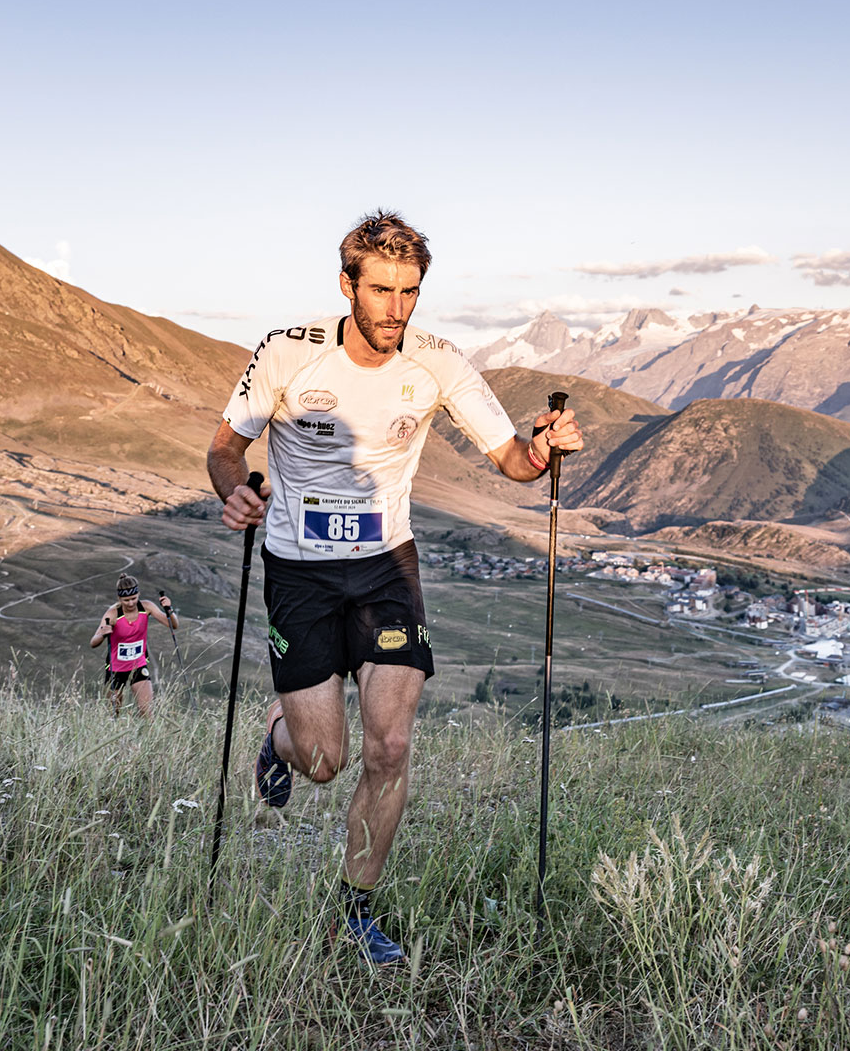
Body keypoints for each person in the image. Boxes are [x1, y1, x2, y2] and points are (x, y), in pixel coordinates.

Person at [206, 209, 583, 964]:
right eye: (381, 290)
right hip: (300, 572)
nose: (396, 309)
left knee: (391, 746)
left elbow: (510, 457)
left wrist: (542, 450)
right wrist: (235, 492)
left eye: (410, 292)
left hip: (386, 567)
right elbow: (226, 447)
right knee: (326, 761)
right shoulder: (289, 354)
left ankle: (356, 911)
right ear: (347, 283)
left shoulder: (437, 361)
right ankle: (279, 741)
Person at [89, 574, 175, 718]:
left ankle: (148, 738)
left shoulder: (146, 607)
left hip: (139, 664)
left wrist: (169, 609)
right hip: (116, 668)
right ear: (119, 599)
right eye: (126, 600)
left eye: (133, 598)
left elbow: (173, 625)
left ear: (138, 594)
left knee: (147, 712)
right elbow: (93, 642)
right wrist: (103, 634)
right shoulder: (113, 614)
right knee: (113, 715)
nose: (130, 603)